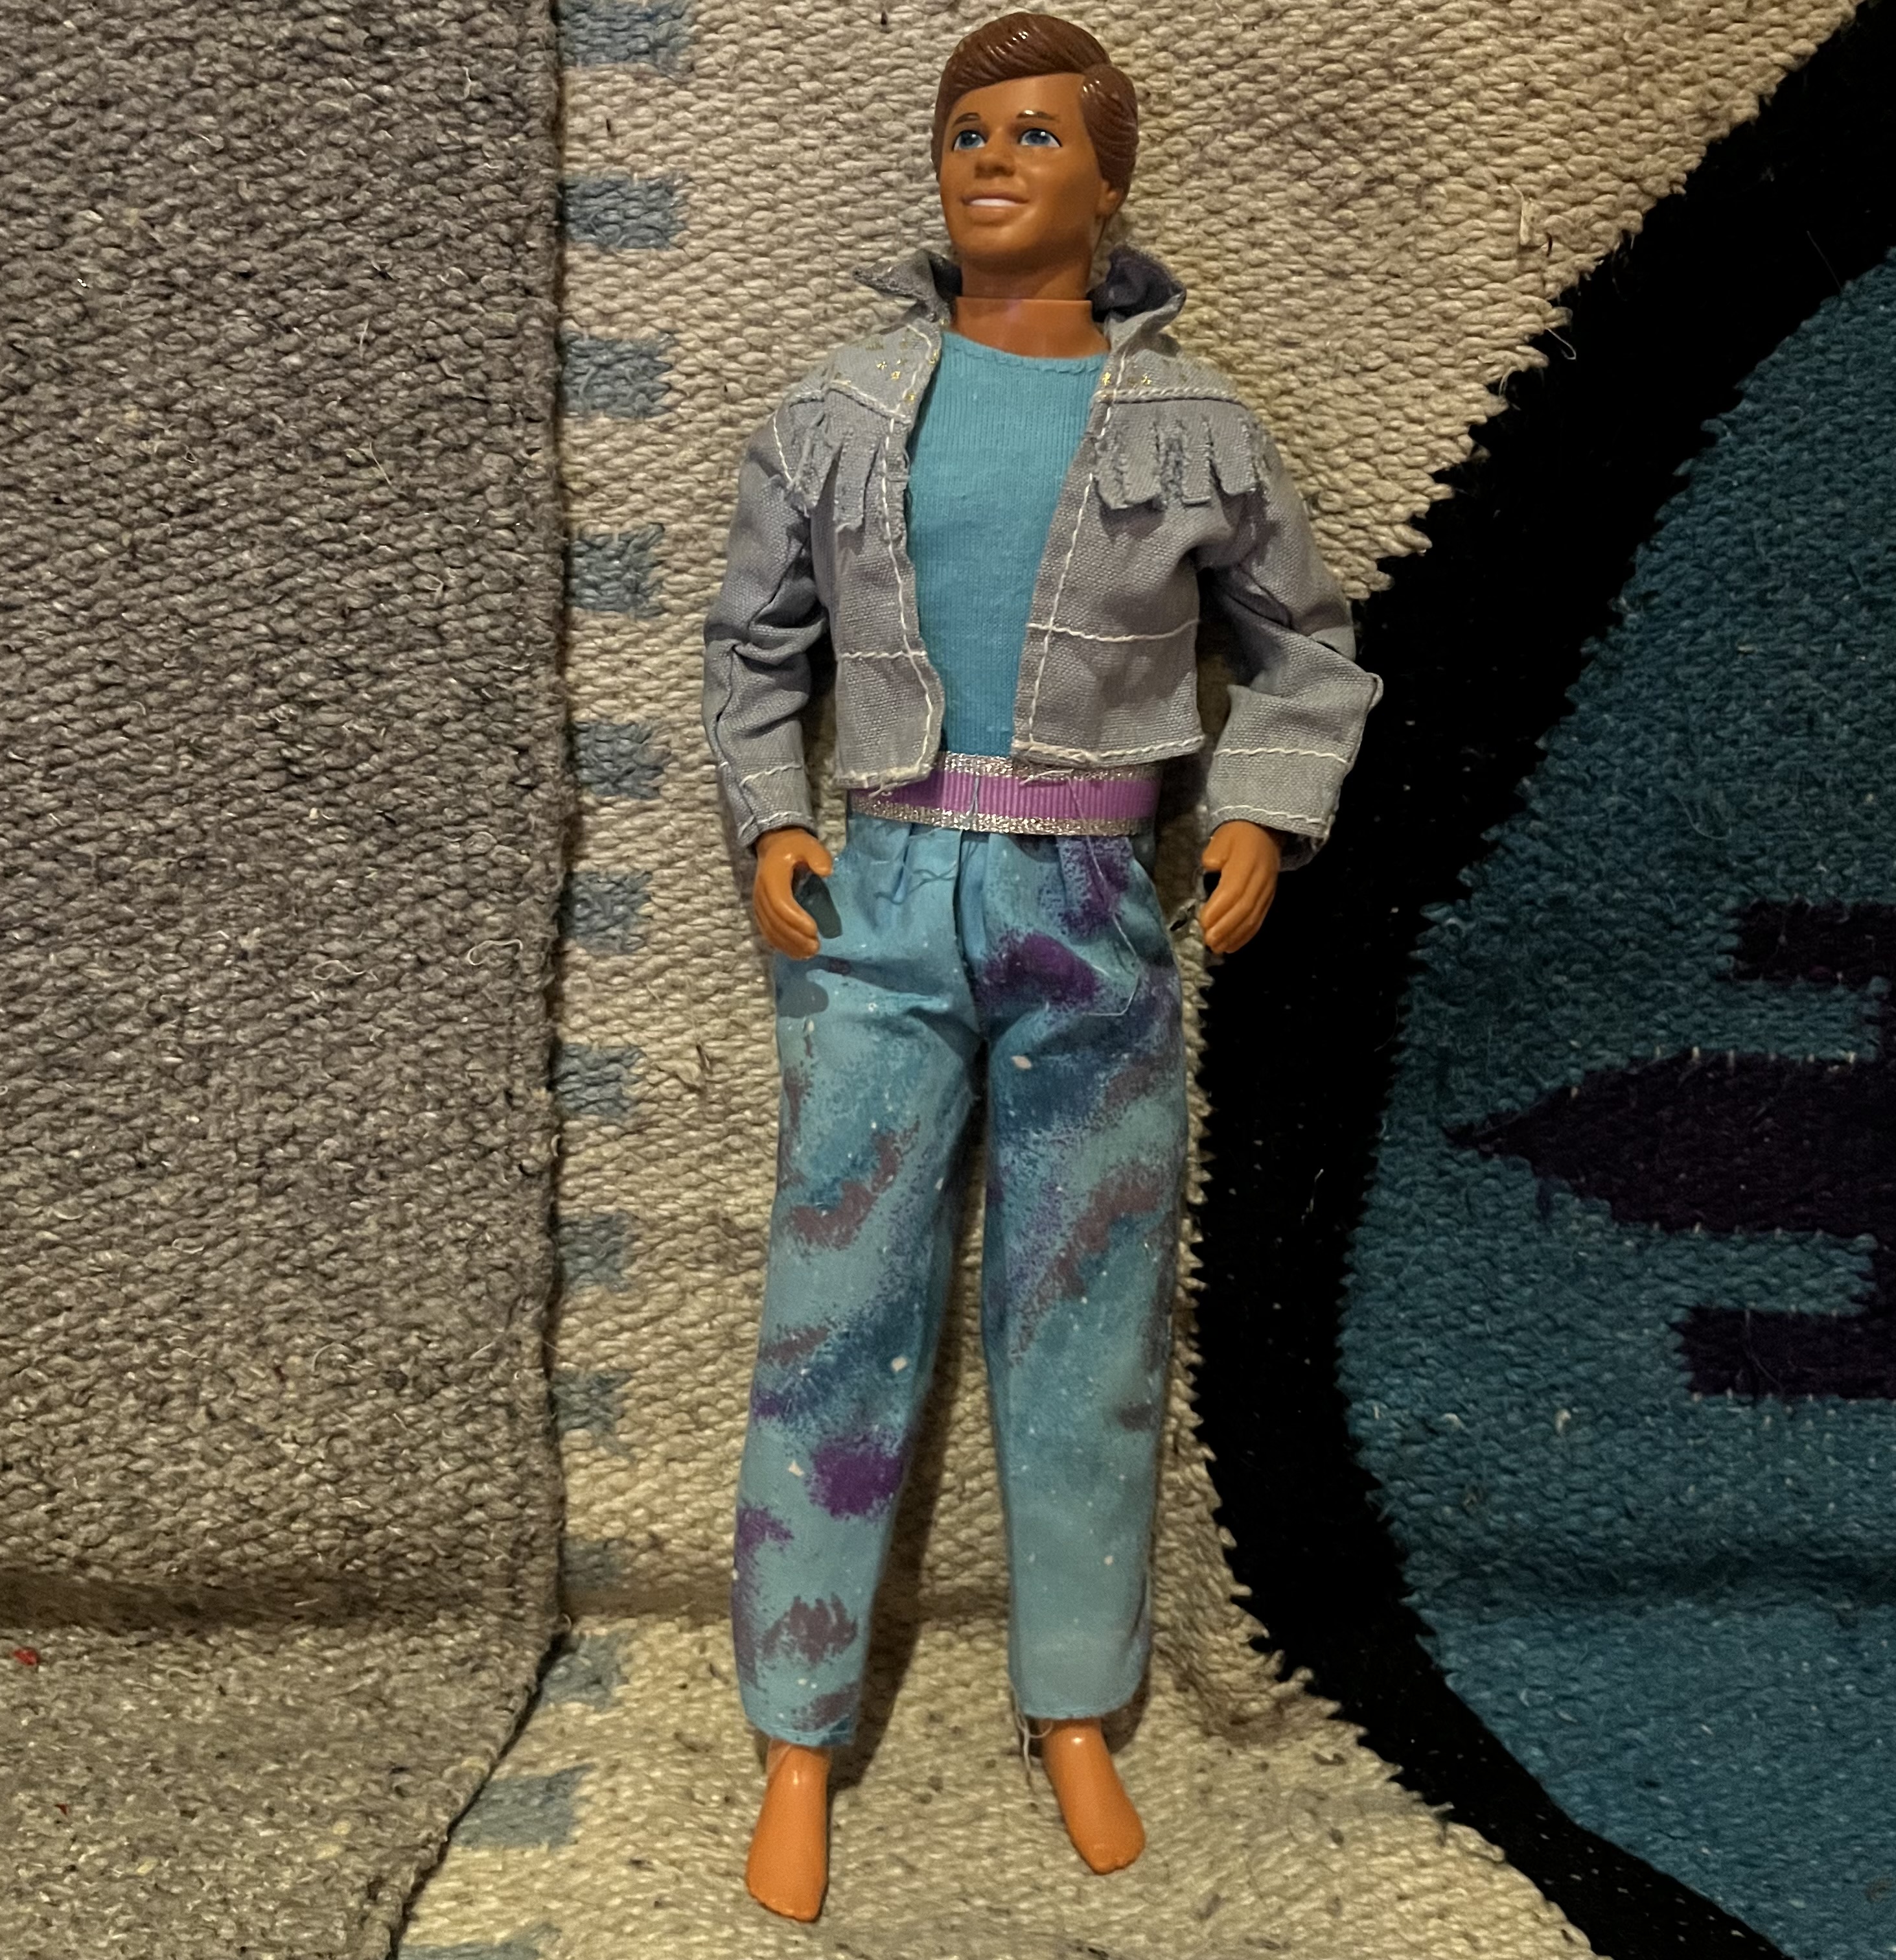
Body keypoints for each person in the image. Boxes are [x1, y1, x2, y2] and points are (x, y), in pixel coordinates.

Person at [701, 12, 1381, 1920]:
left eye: (1033, 134)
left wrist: (1260, 812)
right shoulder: (839, 409)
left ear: (1109, 179)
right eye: (964, 134)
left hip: (1094, 901)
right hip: (885, 893)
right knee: (836, 1296)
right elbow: (751, 648)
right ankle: (796, 1726)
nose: (990, 161)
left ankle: (1078, 1704)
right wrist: (771, 820)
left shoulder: (1199, 427)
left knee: (1088, 1317)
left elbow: (1308, 652)